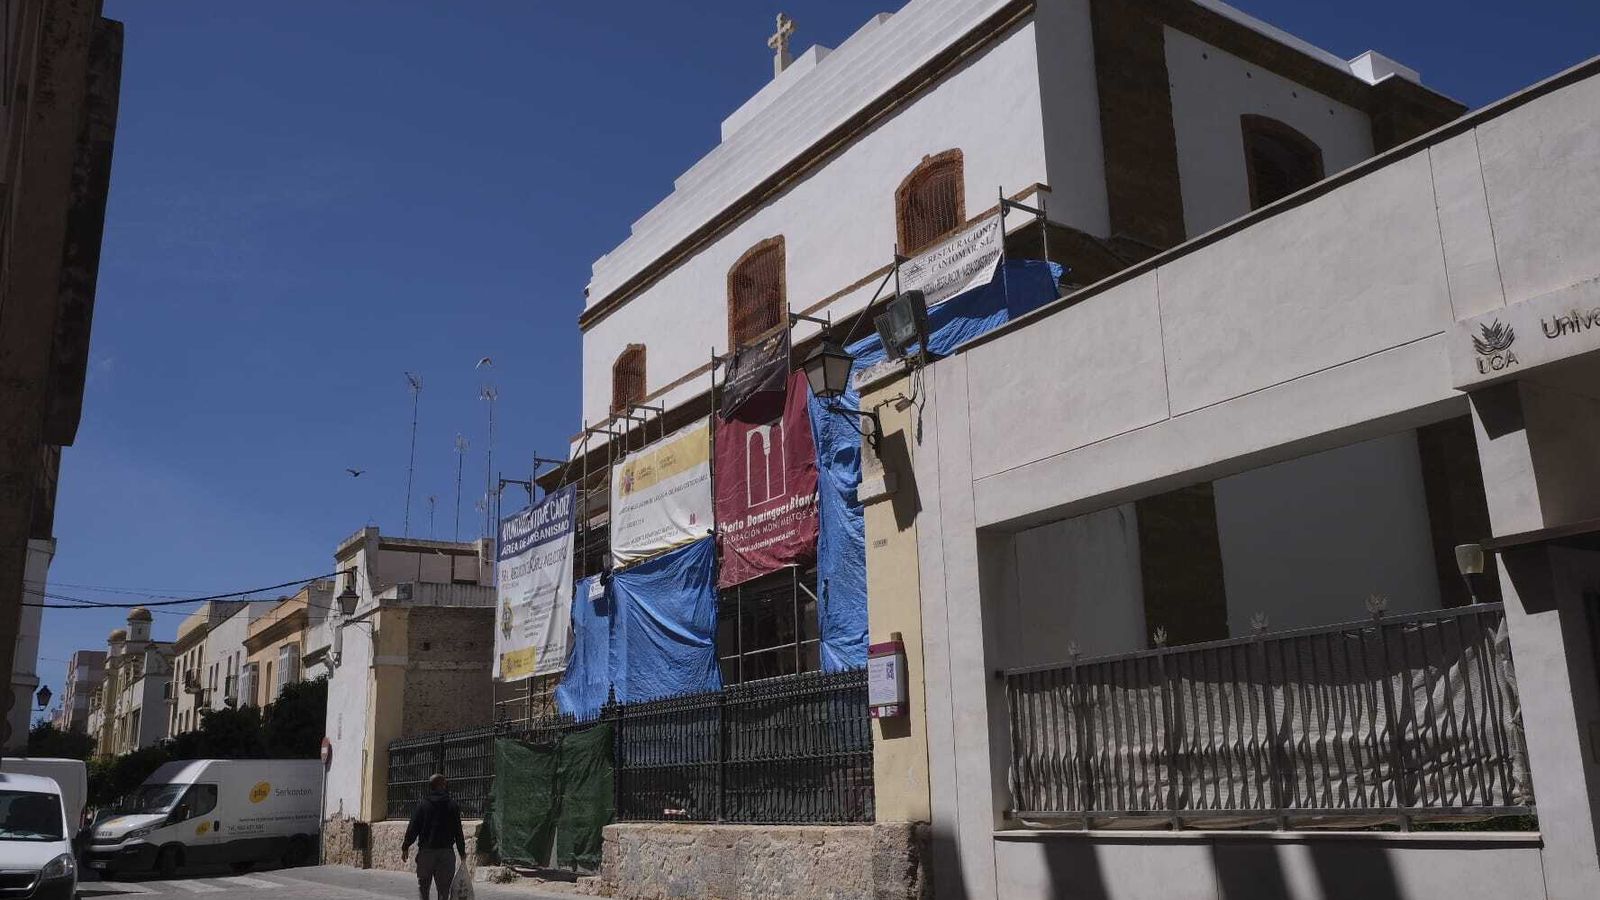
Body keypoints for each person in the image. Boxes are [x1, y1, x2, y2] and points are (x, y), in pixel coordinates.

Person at [401, 773, 466, 900]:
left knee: (423, 889)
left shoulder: (422, 806)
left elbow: (413, 828)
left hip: (426, 854)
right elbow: (458, 831)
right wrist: (462, 852)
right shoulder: (452, 805)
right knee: (443, 891)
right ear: (442, 785)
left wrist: (405, 846)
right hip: (446, 854)